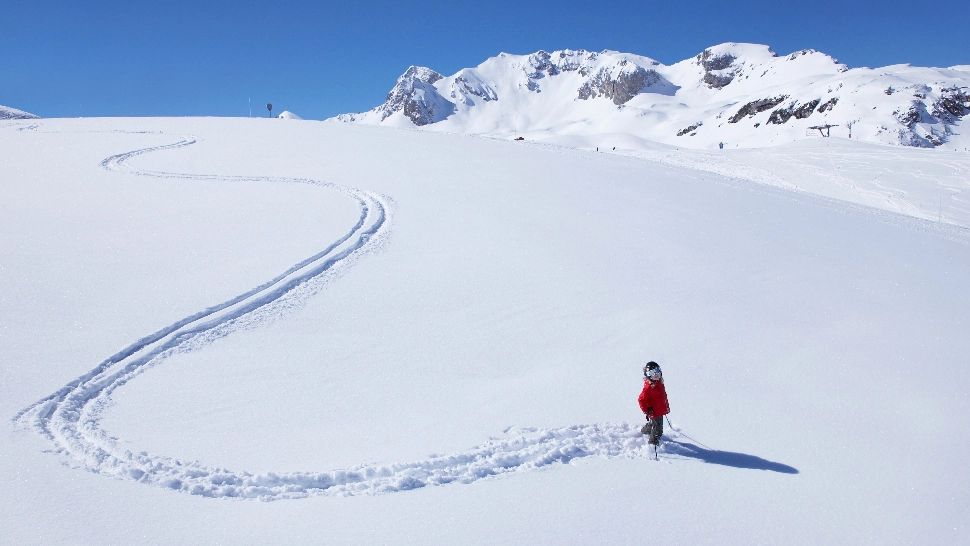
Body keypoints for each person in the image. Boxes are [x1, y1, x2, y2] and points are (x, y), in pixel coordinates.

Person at [638, 361, 670, 457]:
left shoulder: (659, 383)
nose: (656, 375)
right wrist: (647, 410)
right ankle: (653, 443)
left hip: (659, 409)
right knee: (658, 429)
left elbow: (662, 396)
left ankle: (645, 430)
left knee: (654, 424)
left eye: (657, 372)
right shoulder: (649, 388)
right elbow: (641, 400)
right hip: (654, 412)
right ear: (648, 375)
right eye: (652, 373)